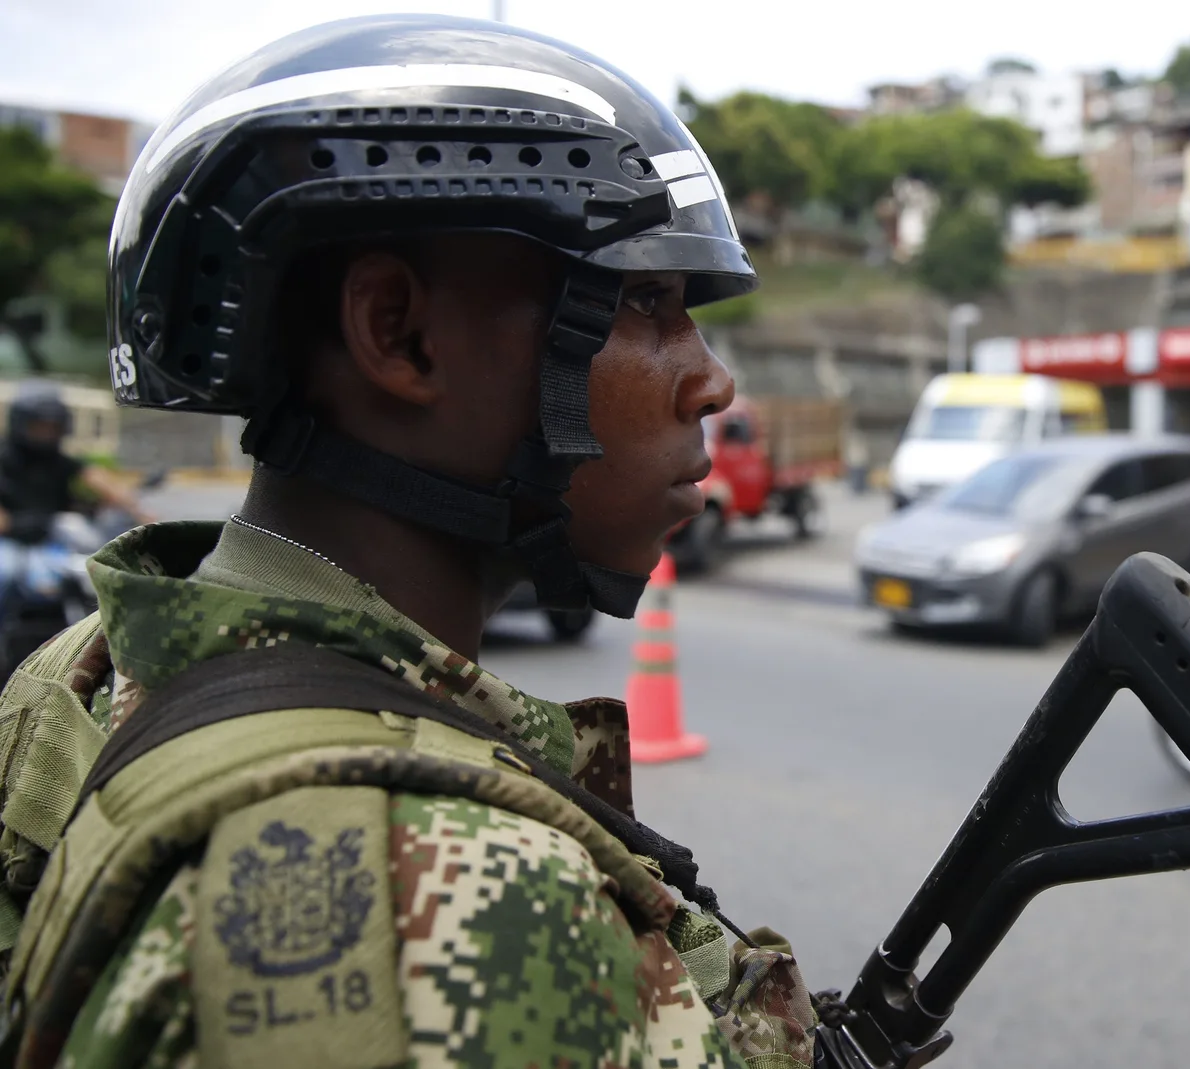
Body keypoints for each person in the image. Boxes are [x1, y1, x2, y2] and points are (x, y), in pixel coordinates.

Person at [0, 16, 812, 1069]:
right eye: (646, 299)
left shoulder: (70, 682)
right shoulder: (461, 897)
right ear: (400, 333)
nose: (711, 379)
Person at [0, 386, 154, 614]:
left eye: (53, 427)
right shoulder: (6, 458)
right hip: (10, 539)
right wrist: (24, 522)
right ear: (21, 423)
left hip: (52, 539)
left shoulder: (56, 460)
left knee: (96, 568)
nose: (47, 433)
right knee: (6, 572)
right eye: (40, 426)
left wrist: (139, 512)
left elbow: (96, 478)